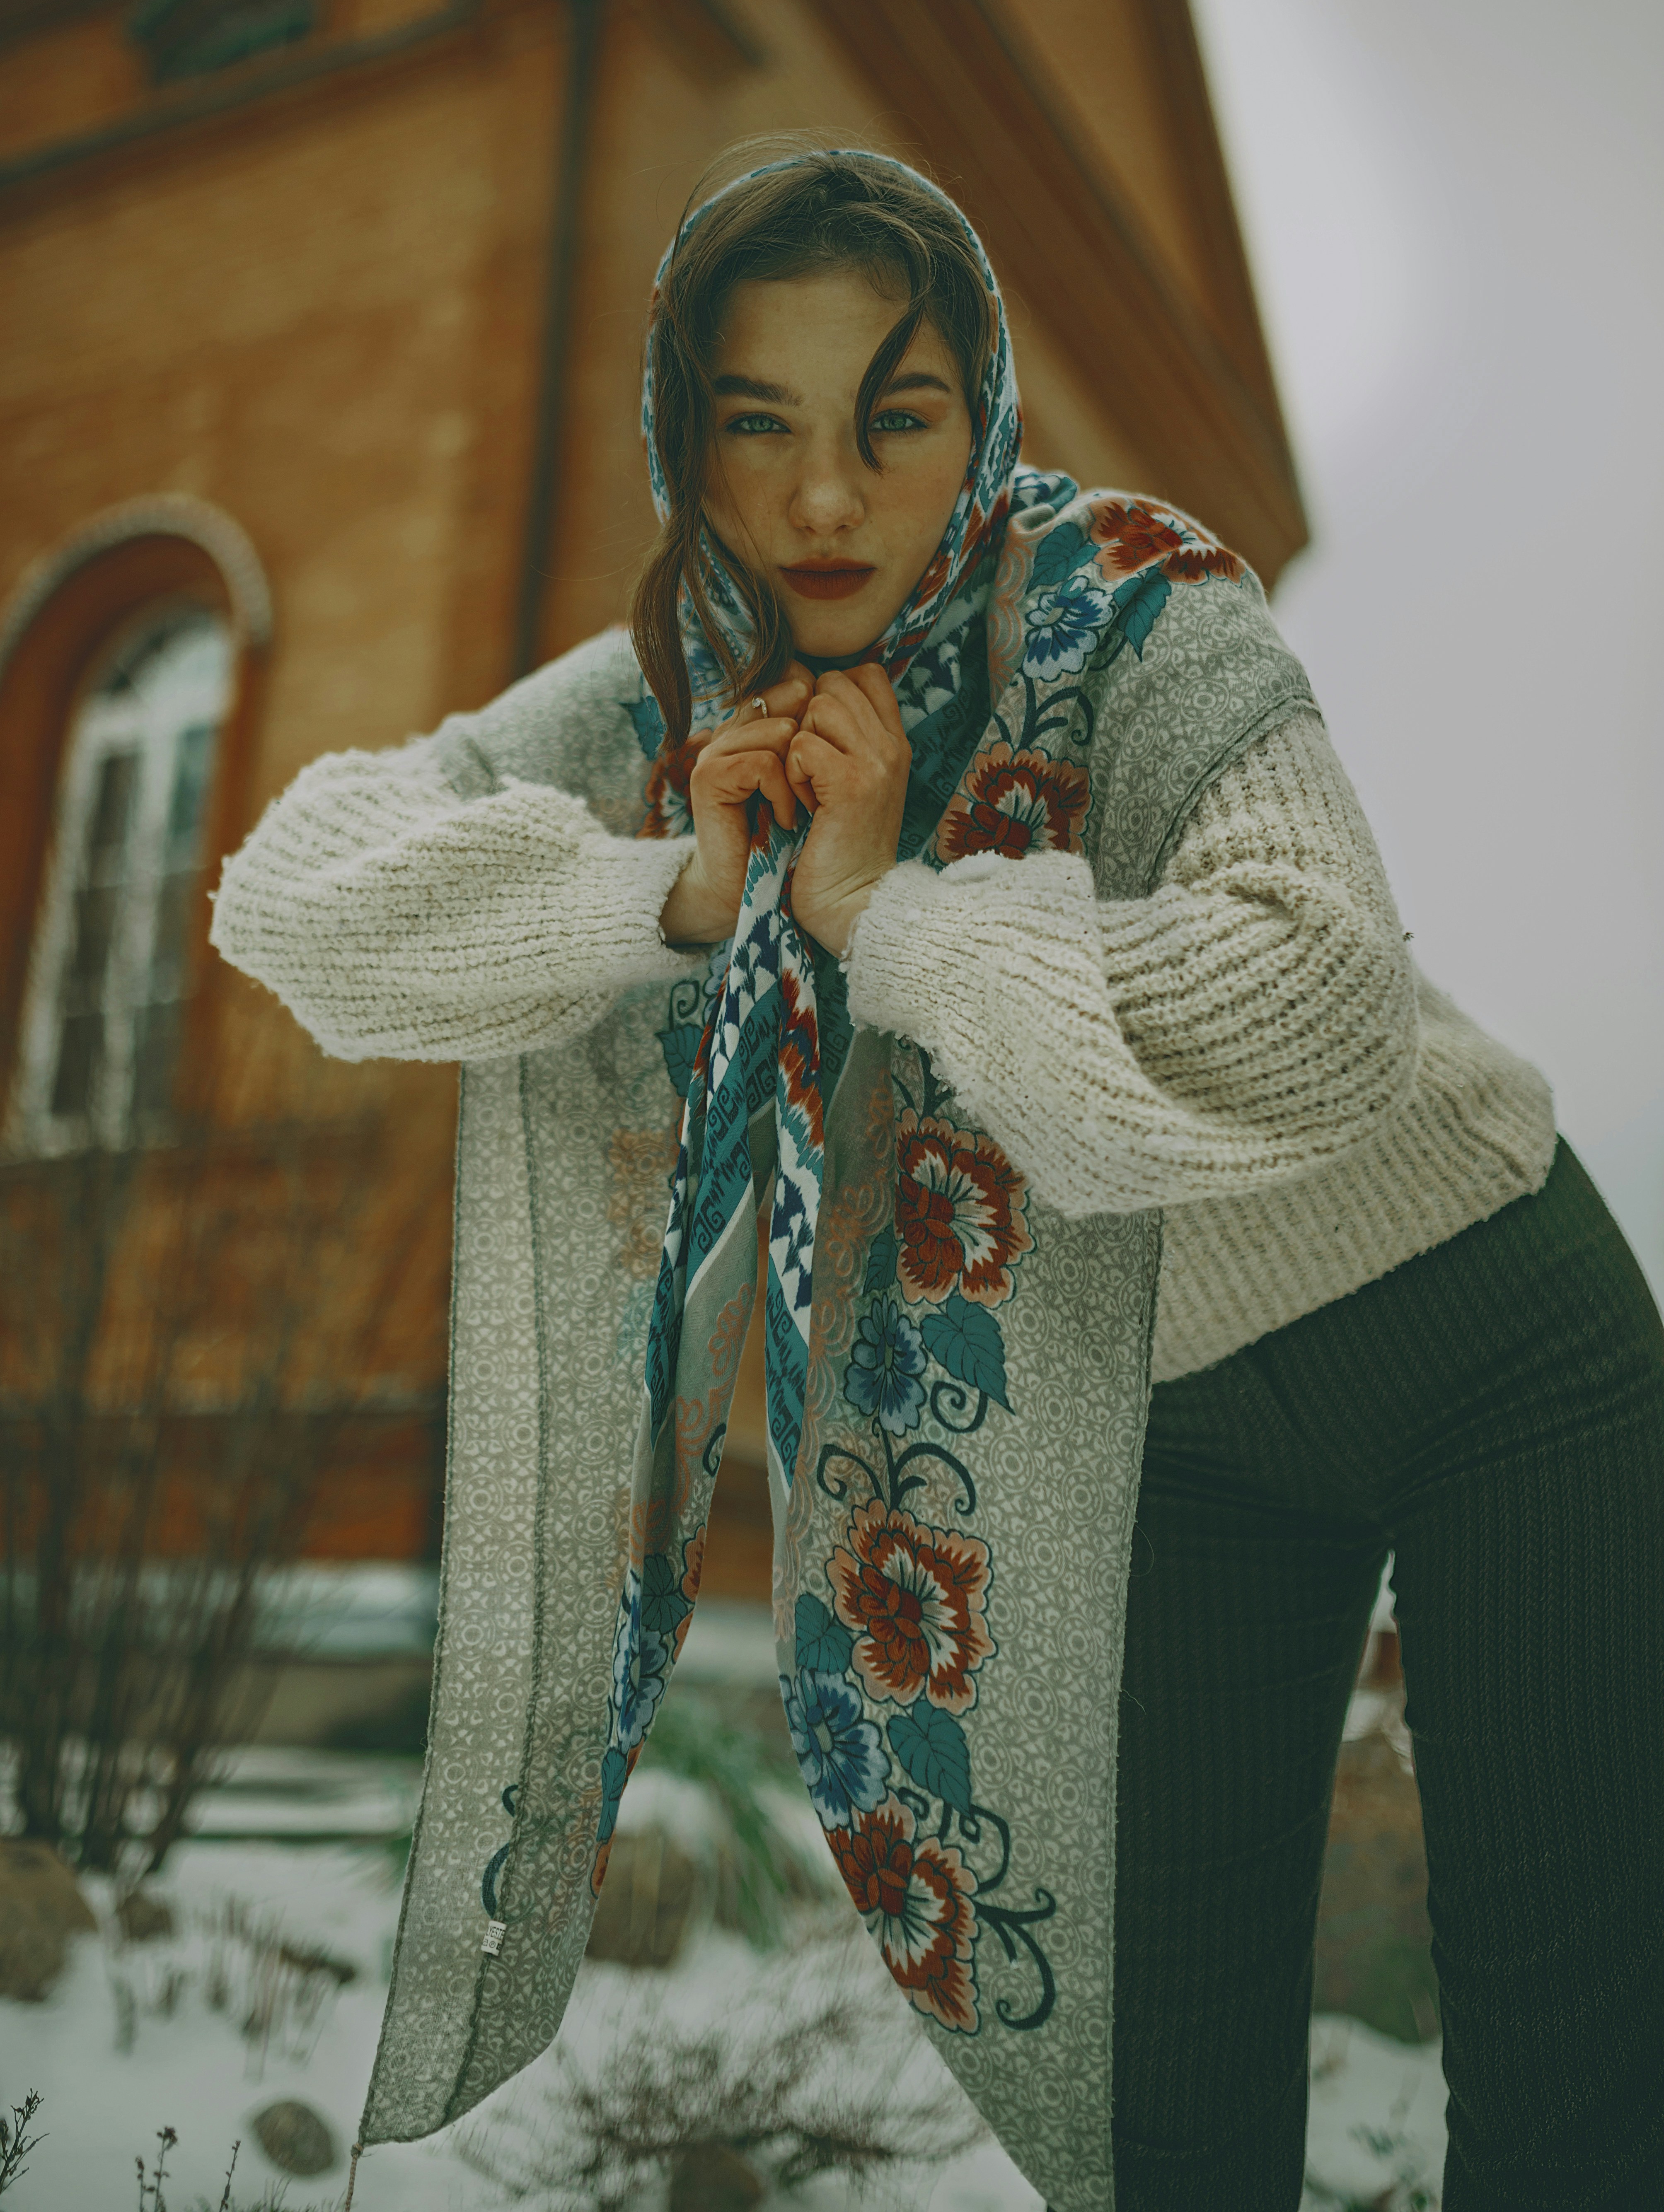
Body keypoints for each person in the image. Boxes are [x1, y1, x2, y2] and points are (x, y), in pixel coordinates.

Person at [210, 147, 1662, 2211]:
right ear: (684, 447)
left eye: (889, 421)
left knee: (1569, 2077)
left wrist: (888, 914)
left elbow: (1317, 998)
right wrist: (680, 892)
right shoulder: (667, 694)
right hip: (1143, 1438)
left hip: (1481, 1325)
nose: (823, 501)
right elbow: (300, 892)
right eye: (758, 424)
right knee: (1163, 2121)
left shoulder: (1135, 595)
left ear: (972, 417)